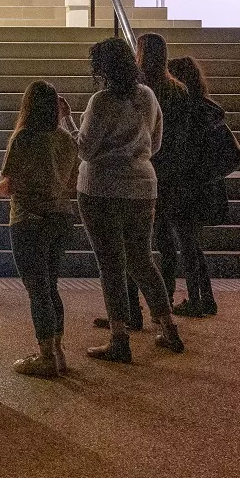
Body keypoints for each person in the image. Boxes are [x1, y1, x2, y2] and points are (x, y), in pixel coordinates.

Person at [61, 37, 184, 362]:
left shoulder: (101, 101)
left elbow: (85, 149)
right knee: (142, 259)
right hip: (142, 186)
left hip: (101, 188)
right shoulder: (147, 96)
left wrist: (68, 121)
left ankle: (119, 337)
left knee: (111, 264)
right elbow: (155, 144)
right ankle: (168, 326)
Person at [92, 31, 192, 332]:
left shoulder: (134, 92)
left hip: (133, 172)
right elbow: (169, 134)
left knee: (122, 253)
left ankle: (129, 312)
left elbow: (90, 145)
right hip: (163, 173)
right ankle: (165, 306)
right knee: (154, 247)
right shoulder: (177, 90)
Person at [0, 80, 79, 378]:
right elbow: (73, 182)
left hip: (29, 218)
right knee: (51, 285)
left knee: (37, 289)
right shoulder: (65, 140)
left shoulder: (24, 137)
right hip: (61, 217)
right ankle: (58, 350)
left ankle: (45, 355)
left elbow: (9, 185)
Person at [167, 55, 229, 318]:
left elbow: (181, 151)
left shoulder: (184, 112)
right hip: (207, 185)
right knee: (193, 244)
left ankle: (196, 299)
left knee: (187, 244)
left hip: (187, 186)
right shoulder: (207, 108)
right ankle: (206, 297)